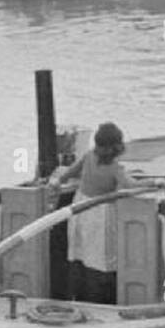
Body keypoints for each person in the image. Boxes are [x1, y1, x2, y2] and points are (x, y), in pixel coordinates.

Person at [50, 122, 128, 304]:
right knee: (101, 258)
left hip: (80, 209)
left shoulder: (88, 156)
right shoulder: (116, 168)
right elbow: (130, 185)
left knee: (81, 253)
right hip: (101, 214)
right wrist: (158, 184)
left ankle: (77, 295)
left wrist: (55, 181)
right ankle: (102, 300)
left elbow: (69, 173)